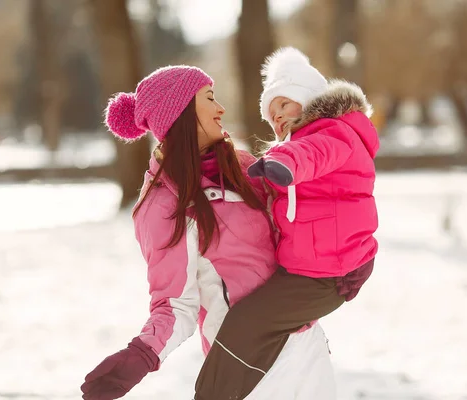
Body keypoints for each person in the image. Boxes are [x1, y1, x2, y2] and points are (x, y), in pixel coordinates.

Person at [80, 65, 337, 400]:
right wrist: (142, 354)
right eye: (210, 98)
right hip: (249, 361)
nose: (221, 109)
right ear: (181, 112)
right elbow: (175, 304)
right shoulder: (163, 203)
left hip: (306, 344)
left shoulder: (243, 168)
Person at [194, 47, 379, 399]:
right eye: (271, 113)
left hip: (328, 273)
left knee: (246, 323)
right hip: (311, 268)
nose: (276, 117)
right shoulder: (297, 149)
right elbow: (271, 185)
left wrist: (282, 160)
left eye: (284, 104)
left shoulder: (333, 134)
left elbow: (310, 156)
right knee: (260, 329)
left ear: (308, 100)